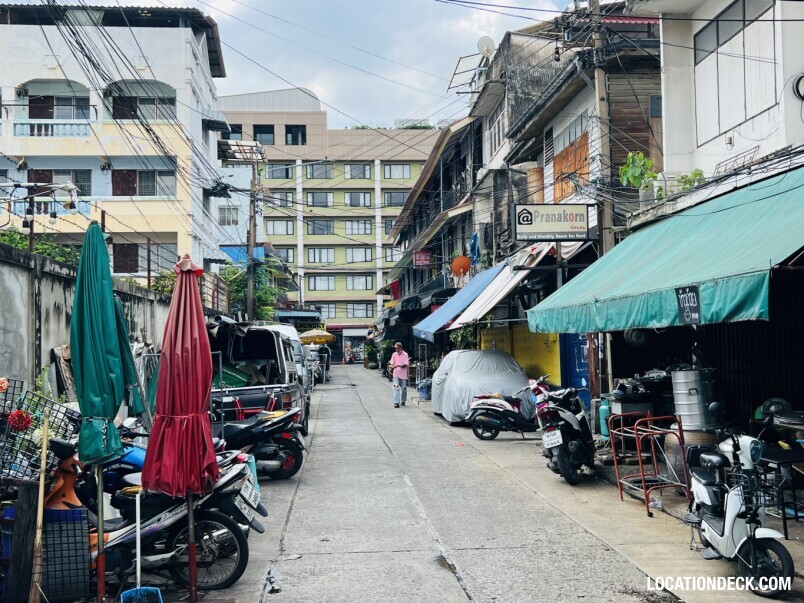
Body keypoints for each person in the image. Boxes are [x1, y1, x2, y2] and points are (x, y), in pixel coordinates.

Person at [388, 341, 409, 408]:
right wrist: (392, 366)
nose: (396, 349)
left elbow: (405, 364)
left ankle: (403, 400)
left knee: (404, 388)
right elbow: (392, 363)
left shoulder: (405, 354)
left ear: (401, 348)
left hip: (403, 373)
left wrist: (397, 365)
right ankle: (396, 403)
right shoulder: (394, 354)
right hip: (396, 373)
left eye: (398, 348)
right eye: (396, 348)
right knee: (396, 387)